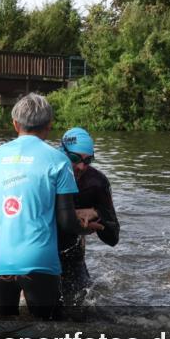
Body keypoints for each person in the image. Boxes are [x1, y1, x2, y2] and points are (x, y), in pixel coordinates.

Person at [0, 93, 80, 319]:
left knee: (1, 335)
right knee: (46, 333)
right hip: (39, 259)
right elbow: (66, 222)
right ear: (49, 125)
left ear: (15, 124)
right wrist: (87, 228)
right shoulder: (59, 161)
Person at [56, 127, 120, 313]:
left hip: (73, 258)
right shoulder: (46, 174)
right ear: (62, 152)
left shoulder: (96, 183)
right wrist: (70, 214)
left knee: (85, 313)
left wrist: (96, 212)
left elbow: (113, 237)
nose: (81, 166)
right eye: (75, 159)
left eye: (88, 160)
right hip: (42, 254)